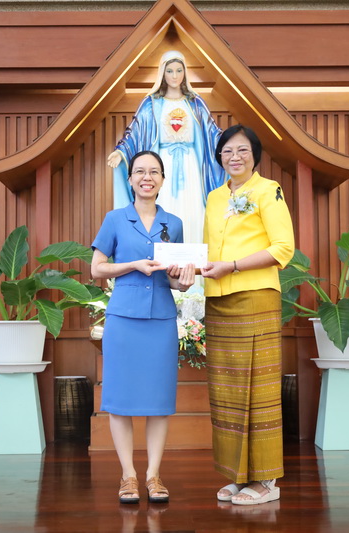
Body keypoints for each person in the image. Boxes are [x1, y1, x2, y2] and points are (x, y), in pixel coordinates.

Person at [91, 150, 196, 504]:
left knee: (159, 400)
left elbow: (175, 280)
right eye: (139, 171)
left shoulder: (174, 223)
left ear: (162, 180)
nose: (146, 177)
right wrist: (133, 264)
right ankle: (128, 476)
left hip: (161, 320)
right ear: (130, 179)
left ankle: (153, 475)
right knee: (119, 399)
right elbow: (97, 268)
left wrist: (185, 280)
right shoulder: (115, 219)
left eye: (153, 172)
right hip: (123, 319)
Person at [201, 124, 295, 506]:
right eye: (227, 151)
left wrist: (234, 266)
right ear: (219, 157)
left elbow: (283, 248)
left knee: (259, 390)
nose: (234, 157)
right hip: (218, 301)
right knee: (227, 391)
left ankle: (266, 480)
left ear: (255, 155)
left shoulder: (268, 190)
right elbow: (208, 249)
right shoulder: (214, 197)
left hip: (255, 297)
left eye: (242, 150)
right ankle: (237, 476)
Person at [108, 50, 225, 244]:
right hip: (162, 165)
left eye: (179, 70)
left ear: (185, 72)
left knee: (194, 210)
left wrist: (232, 145)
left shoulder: (195, 103)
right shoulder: (152, 104)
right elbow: (135, 132)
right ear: (162, 73)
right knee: (162, 206)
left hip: (191, 166)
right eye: (170, 71)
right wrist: (122, 151)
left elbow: (213, 133)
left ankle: (195, 259)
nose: (175, 76)